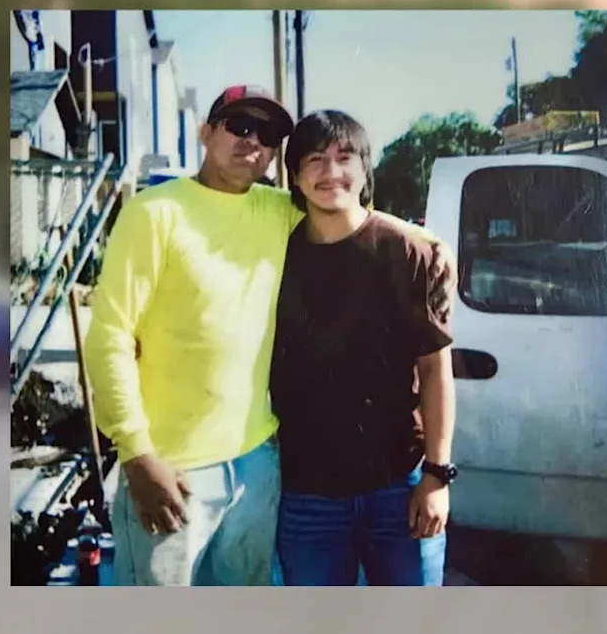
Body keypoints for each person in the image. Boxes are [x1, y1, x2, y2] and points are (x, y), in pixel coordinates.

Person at [83, 86, 454, 586]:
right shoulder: (154, 212)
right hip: (172, 467)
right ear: (206, 132)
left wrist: (430, 244)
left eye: (268, 134)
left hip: (258, 468)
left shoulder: (277, 209)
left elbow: (350, 212)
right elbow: (110, 336)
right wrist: (136, 453)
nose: (252, 141)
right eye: (239, 126)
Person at [270, 110, 457, 586]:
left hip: (400, 486)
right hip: (307, 496)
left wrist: (437, 476)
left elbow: (435, 370)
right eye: (315, 159)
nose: (331, 171)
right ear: (295, 175)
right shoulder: (275, 255)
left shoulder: (407, 251)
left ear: (364, 168)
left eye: (345, 157)